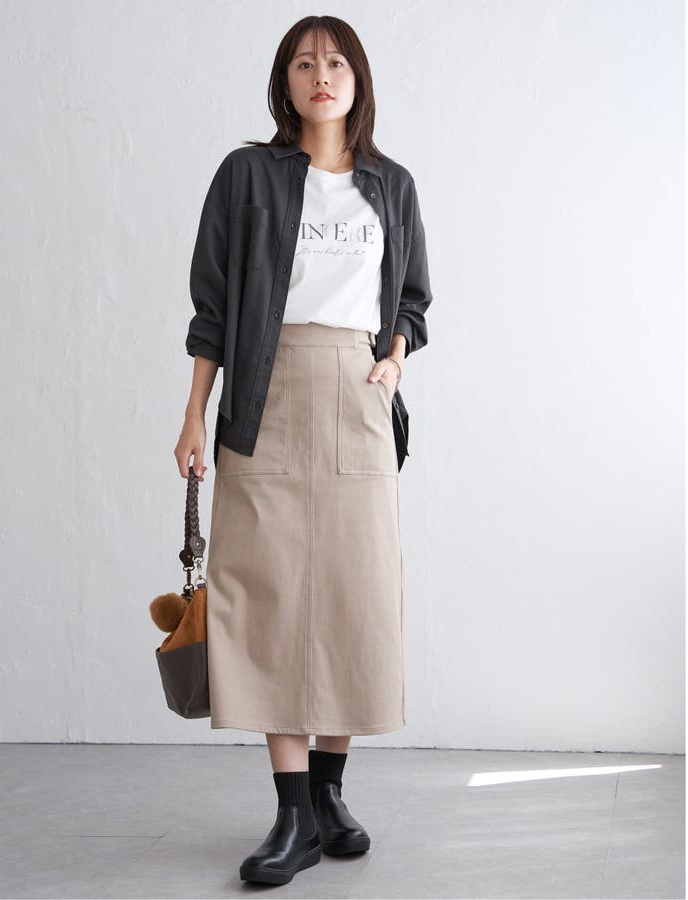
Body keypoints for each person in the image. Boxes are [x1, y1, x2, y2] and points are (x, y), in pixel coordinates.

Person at [175, 15, 433, 886]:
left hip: (358, 399)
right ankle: (291, 814)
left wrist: (395, 358)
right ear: (284, 82)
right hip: (264, 393)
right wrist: (194, 416)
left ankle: (329, 795)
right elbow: (213, 308)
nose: (320, 74)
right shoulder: (246, 175)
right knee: (269, 597)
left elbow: (414, 300)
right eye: (302, 63)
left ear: (358, 80)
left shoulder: (392, 186)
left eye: (335, 62)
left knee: (356, 594)